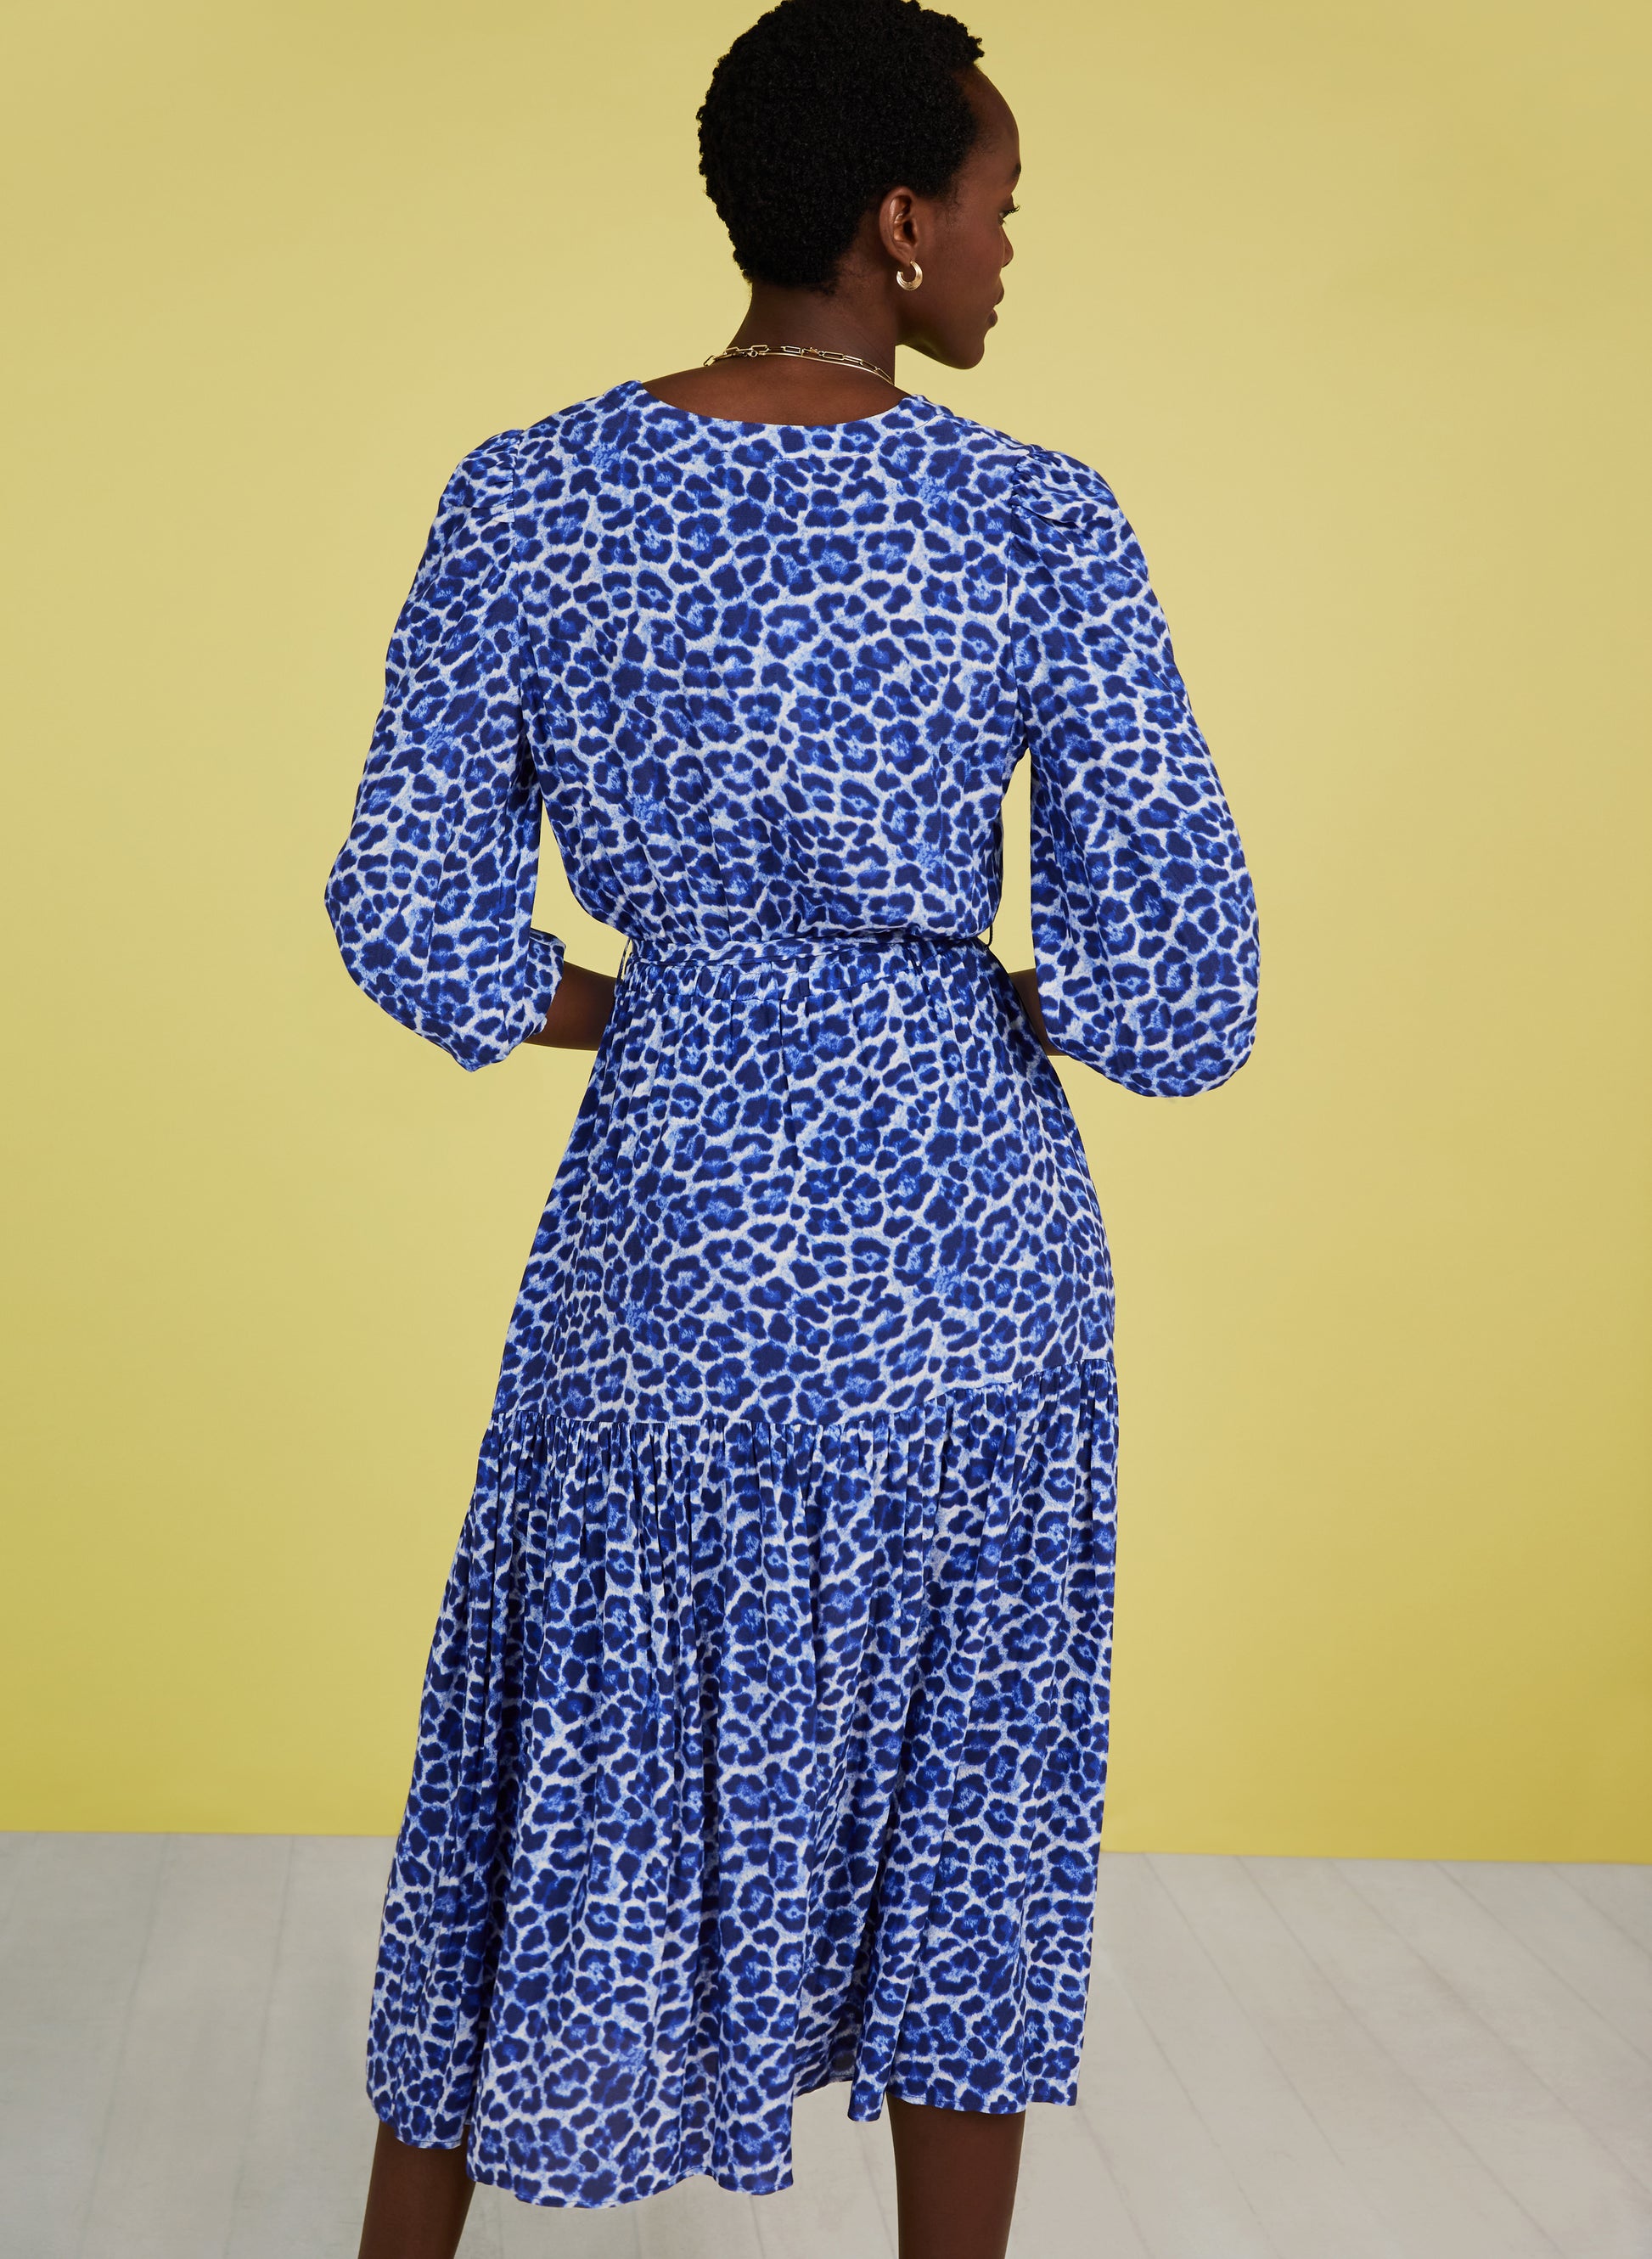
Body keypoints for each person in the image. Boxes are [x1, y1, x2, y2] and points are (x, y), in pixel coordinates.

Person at [325, 1, 1259, 2251]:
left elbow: (405, 908)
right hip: (967, 1262)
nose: (1011, 250)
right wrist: (962, 994)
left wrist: (664, 1004)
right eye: (1002, 205)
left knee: (549, 1750)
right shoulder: (1032, 515)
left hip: (662, 1243)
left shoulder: (526, 491)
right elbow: (1179, 985)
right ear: (900, 220)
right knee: (968, 1793)